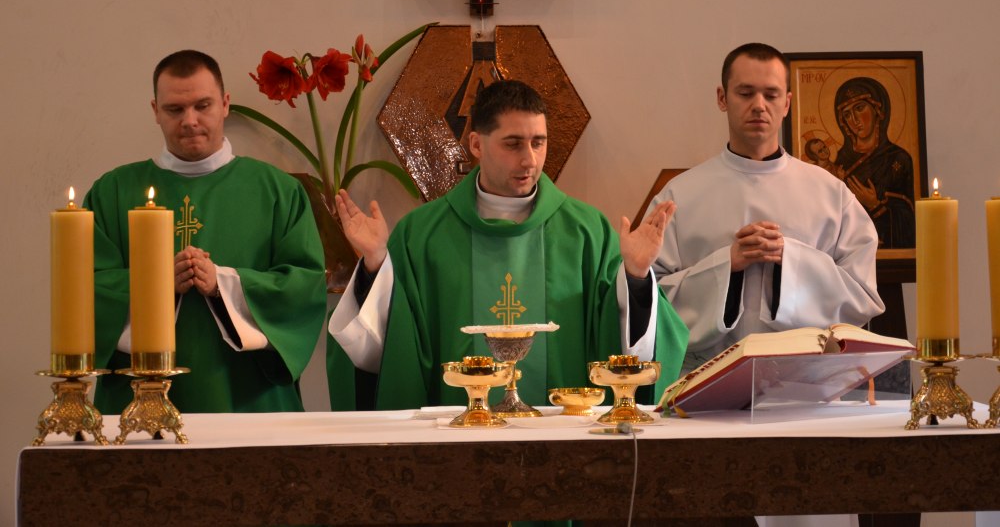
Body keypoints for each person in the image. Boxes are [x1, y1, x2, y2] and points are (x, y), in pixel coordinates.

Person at [327, 80, 689, 410]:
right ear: (476, 144)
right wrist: (374, 263)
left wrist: (636, 276)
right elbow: (393, 345)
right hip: (453, 438)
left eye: (538, 142)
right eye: (513, 144)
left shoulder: (587, 231)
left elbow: (623, 342)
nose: (529, 159)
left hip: (562, 435)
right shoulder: (421, 234)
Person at [84, 50, 327, 413]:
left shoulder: (279, 191)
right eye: (175, 109)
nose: (190, 120)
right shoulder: (112, 192)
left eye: (203, 105)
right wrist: (157, 284)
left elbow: (303, 290)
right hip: (139, 407)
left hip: (250, 402)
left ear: (225, 104)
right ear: (155, 111)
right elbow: (85, 292)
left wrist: (223, 284)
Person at [646, 43, 885, 375]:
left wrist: (790, 258)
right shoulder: (679, 195)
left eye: (771, 95)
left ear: (786, 103)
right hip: (704, 381)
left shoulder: (832, 195)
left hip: (804, 383)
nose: (759, 105)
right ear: (722, 98)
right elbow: (650, 298)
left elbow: (862, 296)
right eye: (745, 93)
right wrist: (727, 266)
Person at [833, 76, 916, 248]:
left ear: (878, 109)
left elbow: (908, 222)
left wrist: (874, 205)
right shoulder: (841, 162)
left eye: (859, 108)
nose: (854, 120)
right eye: (847, 114)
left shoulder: (898, 159)